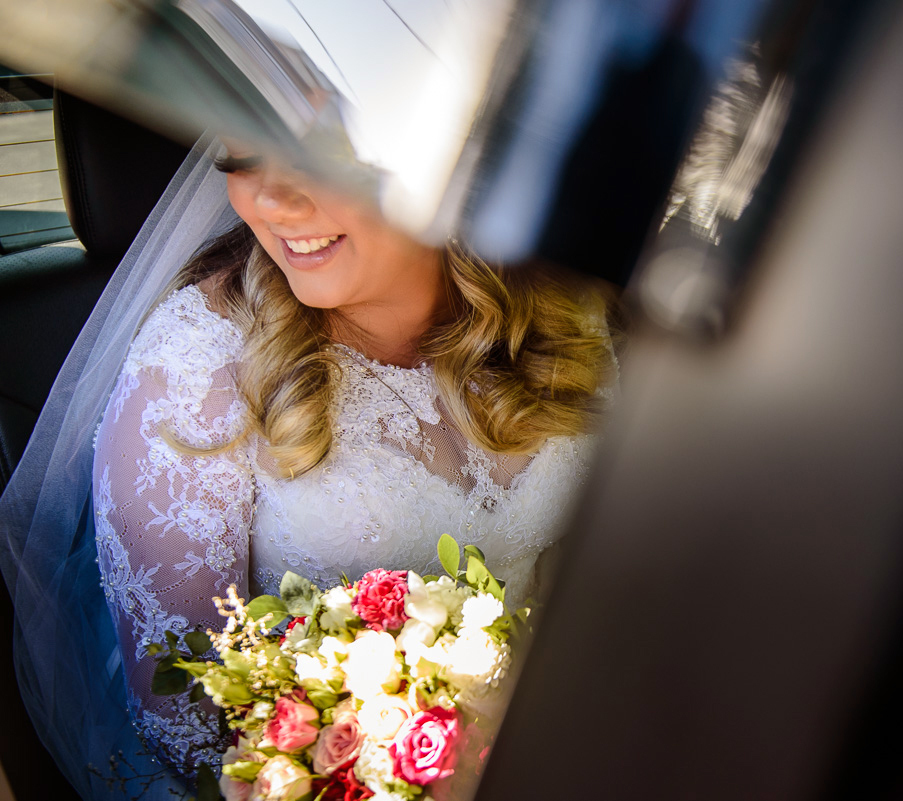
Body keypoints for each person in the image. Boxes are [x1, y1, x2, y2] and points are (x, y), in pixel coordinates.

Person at [1, 133, 617, 800]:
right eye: (241, 153)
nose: (271, 199)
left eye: (323, 151)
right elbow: (189, 723)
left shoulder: (565, 301)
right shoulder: (193, 371)